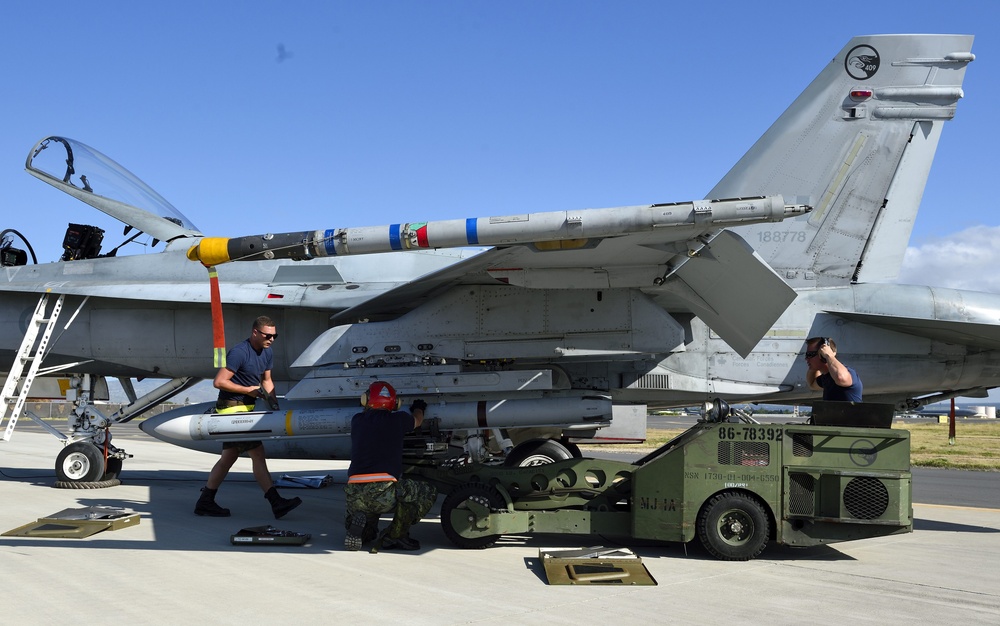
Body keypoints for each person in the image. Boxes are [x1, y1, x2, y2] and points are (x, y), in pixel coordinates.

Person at [194, 315, 302, 519]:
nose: (271, 339)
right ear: (255, 332)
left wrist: (274, 404)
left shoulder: (267, 352)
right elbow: (219, 382)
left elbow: (267, 380)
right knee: (258, 454)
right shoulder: (239, 352)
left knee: (229, 457)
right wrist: (247, 390)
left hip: (246, 409)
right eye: (268, 335)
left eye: (274, 335)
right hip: (231, 409)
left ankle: (205, 501)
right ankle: (276, 502)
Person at [344, 381, 437, 551]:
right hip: (383, 490)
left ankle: (361, 530)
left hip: (354, 493)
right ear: (395, 403)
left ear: (366, 400)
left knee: (369, 516)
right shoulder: (398, 419)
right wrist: (419, 408)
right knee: (426, 491)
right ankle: (395, 535)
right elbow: (417, 420)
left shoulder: (356, 420)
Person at [805, 336, 863, 402]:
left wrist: (829, 356)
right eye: (806, 355)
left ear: (822, 354)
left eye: (810, 354)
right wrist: (813, 366)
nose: (806, 358)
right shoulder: (826, 377)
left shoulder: (848, 373)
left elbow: (840, 378)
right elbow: (812, 384)